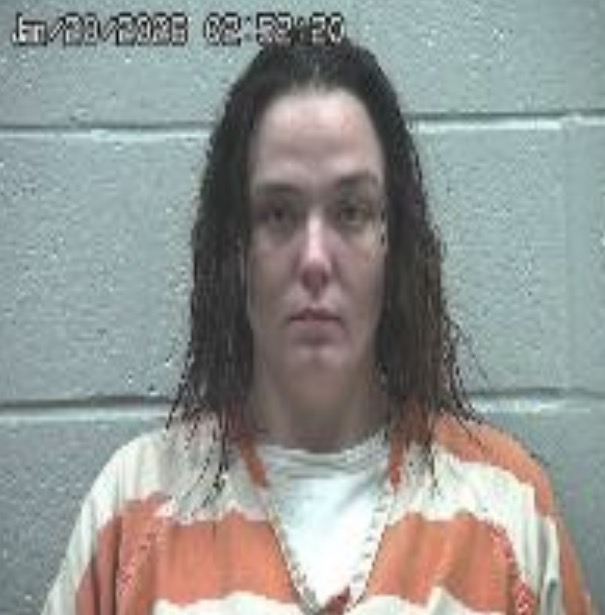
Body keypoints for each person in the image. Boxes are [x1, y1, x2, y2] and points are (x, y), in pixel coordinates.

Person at [42, 31, 593, 615]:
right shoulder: (129, 510)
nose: (313, 259)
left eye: (351, 211)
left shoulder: (509, 510)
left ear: (392, 241)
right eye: (278, 213)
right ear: (237, 246)